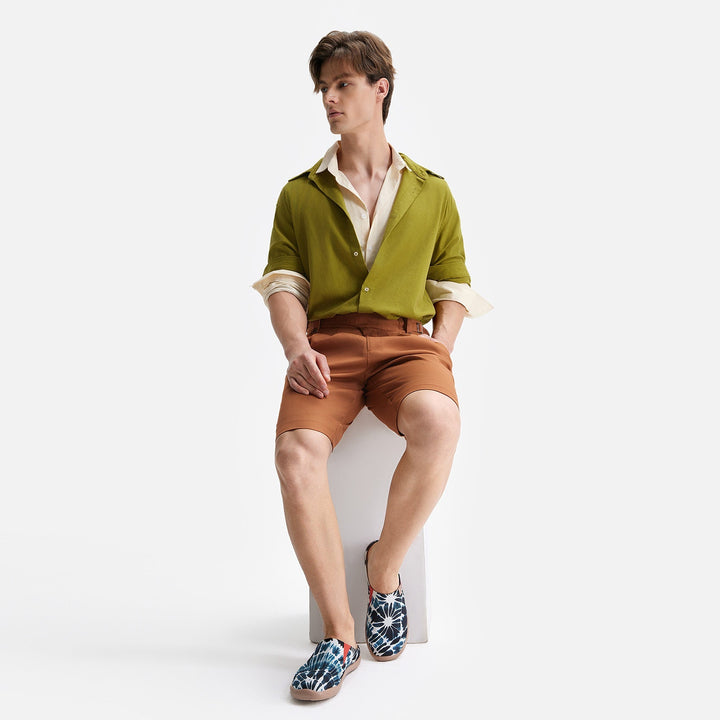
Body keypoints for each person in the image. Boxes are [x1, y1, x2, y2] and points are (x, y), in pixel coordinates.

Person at [252, 30, 492, 701]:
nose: (329, 99)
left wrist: (439, 349)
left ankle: (383, 570)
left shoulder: (431, 191)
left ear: (380, 89)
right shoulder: (300, 194)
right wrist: (295, 348)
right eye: (323, 88)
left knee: (439, 421)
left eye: (343, 85)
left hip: (406, 345)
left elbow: (452, 282)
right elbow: (284, 284)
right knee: (295, 454)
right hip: (325, 346)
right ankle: (338, 634)